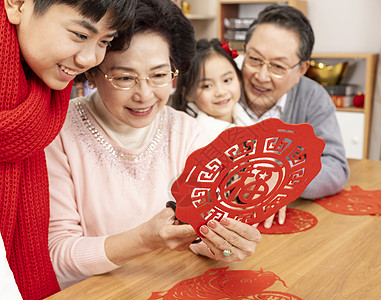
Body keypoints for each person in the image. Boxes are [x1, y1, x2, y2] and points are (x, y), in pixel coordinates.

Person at [45, 0, 261, 289]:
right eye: (125, 78)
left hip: (169, 284)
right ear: (93, 72)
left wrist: (220, 244)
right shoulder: (57, 134)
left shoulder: (186, 131)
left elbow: (198, 235)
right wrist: (145, 238)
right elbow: (56, 256)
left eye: (159, 75)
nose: (144, 95)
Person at [0, 0, 136, 298]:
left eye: (104, 41)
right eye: (78, 35)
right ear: (18, 4)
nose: (89, 58)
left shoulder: (41, 99)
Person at [240, 4, 350, 227]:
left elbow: (335, 166)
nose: (261, 76)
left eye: (277, 67)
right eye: (254, 59)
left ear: (301, 70)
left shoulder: (312, 97)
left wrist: (284, 180)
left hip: (280, 222)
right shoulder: (219, 84)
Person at [172, 38, 253, 140]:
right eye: (207, 86)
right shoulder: (193, 136)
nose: (220, 92)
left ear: (239, 78)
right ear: (187, 93)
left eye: (227, 80)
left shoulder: (244, 116)